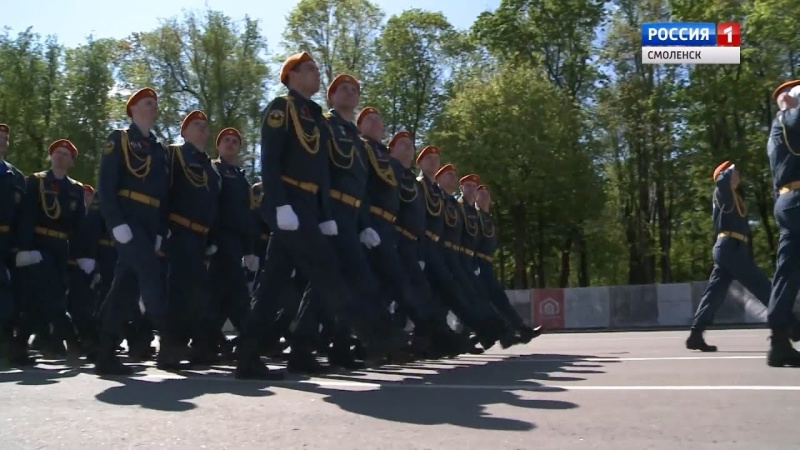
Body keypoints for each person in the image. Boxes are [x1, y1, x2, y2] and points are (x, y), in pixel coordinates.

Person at [95, 87, 176, 375]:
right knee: (150, 274)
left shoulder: (159, 148)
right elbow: (106, 185)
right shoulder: (119, 139)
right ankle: (167, 336)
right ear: (133, 109)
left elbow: (164, 196)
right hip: (127, 219)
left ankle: (104, 349)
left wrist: (159, 230)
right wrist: (115, 222)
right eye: (147, 103)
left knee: (125, 287)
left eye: (155, 103)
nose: (153, 107)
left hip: (148, 221)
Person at [687, 162, 799, 352]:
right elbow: (720, 180)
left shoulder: (731, 195)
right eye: (734, 172)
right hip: (729, 247)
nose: (738, 174)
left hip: (730, 248)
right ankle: (789, 324)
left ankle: (696, 334)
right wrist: (724, 174)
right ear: (726, 176)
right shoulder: (723, 192)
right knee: (760, 284)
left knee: (714, 295)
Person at [14, 140, 86, 362]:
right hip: (39, 246)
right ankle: (73, 341)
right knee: (53, 295)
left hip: (60, 248)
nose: (61, 156)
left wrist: (80, 255)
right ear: (51, 156)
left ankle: (19, 347)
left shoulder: (75, 189)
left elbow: (79, 226)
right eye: (57, 152)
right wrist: (23, 248)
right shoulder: (37, 181)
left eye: (66, 154)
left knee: (39, 299)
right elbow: (26, 215)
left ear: (72, 161)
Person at [765, 79, 800, 367]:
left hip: (789, 201)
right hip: (797, 198)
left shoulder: (782, 130)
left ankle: (780, 340)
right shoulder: (787, 120)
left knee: (788, 272)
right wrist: (789, 106)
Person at [0, 123, 26, 363]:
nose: (3, 142)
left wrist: (20, 245)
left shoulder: (15, 176)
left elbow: (23, 216)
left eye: (5, 139)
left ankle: (8, 346)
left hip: (7, 240)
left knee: (12, 292)